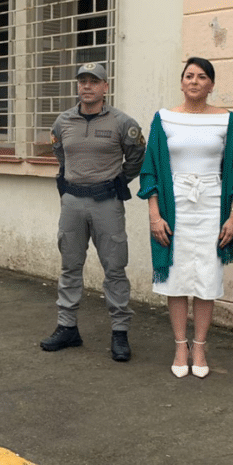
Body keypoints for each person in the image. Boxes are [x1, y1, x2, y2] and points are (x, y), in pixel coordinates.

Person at [138, 56, 233, 378]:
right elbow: (150, 171)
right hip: (175, 209)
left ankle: (199, 345)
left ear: (211, 85)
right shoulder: (164, 118)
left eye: (202, 76)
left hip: (212, 210)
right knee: (176, 279)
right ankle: (179, 344)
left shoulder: (226, 120)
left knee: (206, 279)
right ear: (182, 81)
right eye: (189, 75)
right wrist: (154, 215)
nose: (194, 81)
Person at [40, 63, 145, 362]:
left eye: (94, 81)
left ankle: (120, 332)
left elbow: (137, 155)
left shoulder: (122, 123)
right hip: (72, 202)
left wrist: (117, 182)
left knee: (114, 268)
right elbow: (60, 153)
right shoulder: (63, 122)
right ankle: (67, 327)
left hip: (107, 203)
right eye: (82, 81)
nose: (87, 86)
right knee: (70, 267)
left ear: (105, 87)